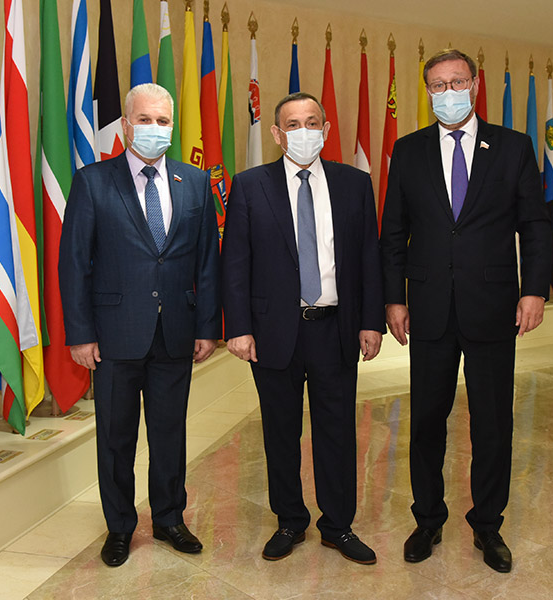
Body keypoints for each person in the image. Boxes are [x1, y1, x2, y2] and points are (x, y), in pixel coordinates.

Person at [380, 48, 553, 573]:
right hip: (428, 307)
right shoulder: (407, 150)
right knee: (427, 421)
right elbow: (393, 232)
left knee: (493, 422)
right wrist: (393, 298)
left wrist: (535, 289)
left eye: (457, 82)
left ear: (475, 85)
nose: (448, 92)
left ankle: (488, 525)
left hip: (493, 306)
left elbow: (535, 225)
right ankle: (427, 519)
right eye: (438, 85)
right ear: (427, 92)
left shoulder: (513, 146)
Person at [59, 82, 221, 567]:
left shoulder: (195, 182)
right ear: (127, 125)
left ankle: (170, 518)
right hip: (114, 336)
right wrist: (80, 334)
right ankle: (120, 527)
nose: (155, 128)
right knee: (116, 438)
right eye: (145, 120)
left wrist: (207, 326)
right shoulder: (93, 181)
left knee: (170, 434)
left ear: (173, 125)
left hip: (176, 332)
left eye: (163, 121)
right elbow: (74, 264)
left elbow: (206, 261)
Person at [221, 92, 386, 565]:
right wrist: (239, 327)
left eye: (312, 122)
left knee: (337, 431)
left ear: (326, 129)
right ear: (277, 134)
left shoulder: (355, 184)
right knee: (280, 432)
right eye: (293, 124)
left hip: (335, 329)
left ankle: (338, 525)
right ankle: (290, 520)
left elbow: (368, 258)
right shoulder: (250, 185)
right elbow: (236, 262)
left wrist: (371, 322)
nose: (304, 132)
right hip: (274, 331)